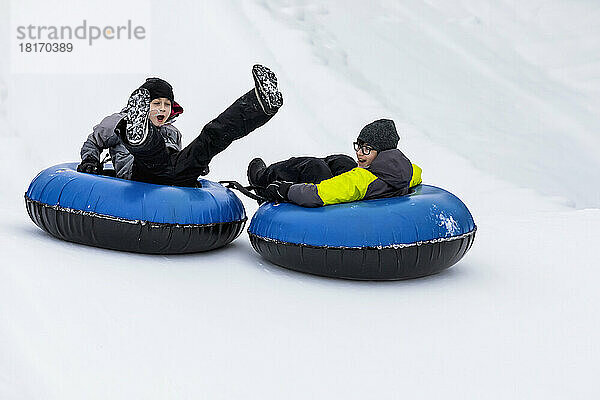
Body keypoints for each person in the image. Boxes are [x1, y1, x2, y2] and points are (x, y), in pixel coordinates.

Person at [78, 64, 283, 187]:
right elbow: (93, 142)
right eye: (156, 104)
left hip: (172, 173)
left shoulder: (173, 131)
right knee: (153, 149)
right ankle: (138, 135)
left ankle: (258, 105)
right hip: (140, 174)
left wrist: (196, 162)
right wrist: (90, 160)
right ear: (142, 105)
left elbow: (176, 160)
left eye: (166, 104)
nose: (162, 109)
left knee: (210, 139)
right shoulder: (117, 120)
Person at [247, 119, 422, 207]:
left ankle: (262, 178)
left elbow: (316, 194)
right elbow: (417, 174)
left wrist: (285, 189)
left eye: (367, 149)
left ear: (382, 152)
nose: (360, 153)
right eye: (359, 146)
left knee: (313, 165)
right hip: (368, 195)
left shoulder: (360, 181)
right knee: (343, 161)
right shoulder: (410, 172)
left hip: (334, 209)